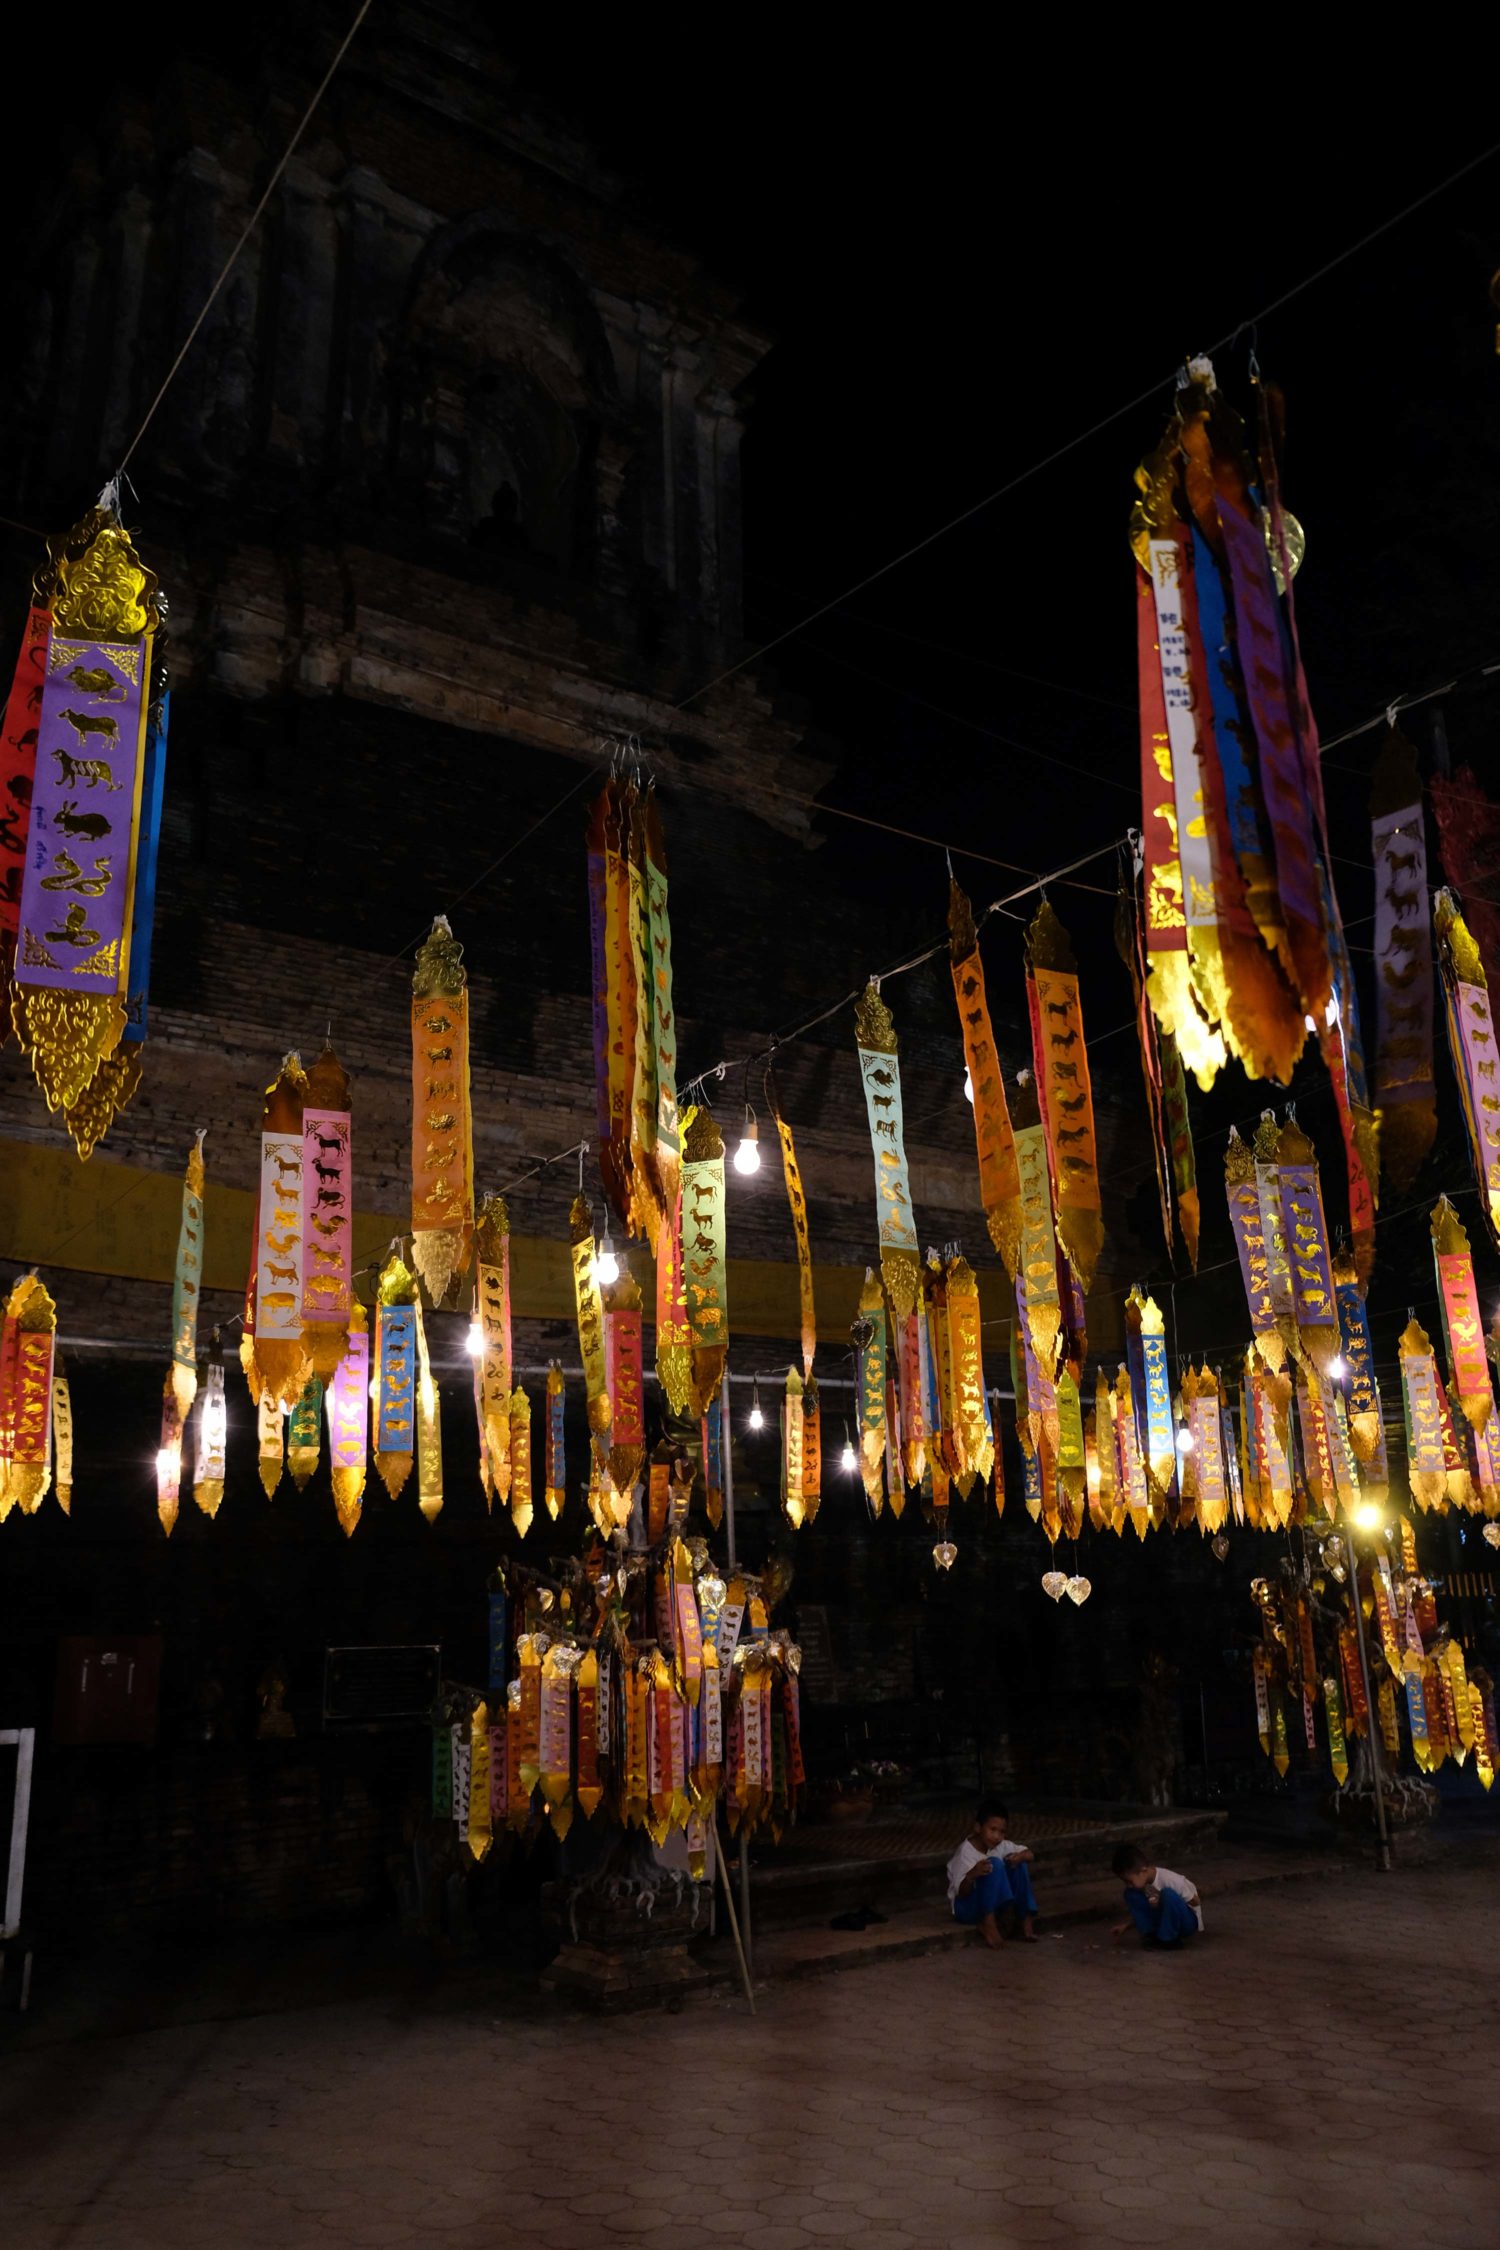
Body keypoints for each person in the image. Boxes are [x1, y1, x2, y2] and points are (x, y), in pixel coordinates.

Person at [946, 1798, 1040, 1948]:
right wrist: (972, 1875)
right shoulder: (965, 1853)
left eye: (1001, 1832)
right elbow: (961, 1893)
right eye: (992, 1830)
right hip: (966, 1908)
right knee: (994, 1864)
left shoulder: (1000, 1845)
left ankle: (1025, 1920)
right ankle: (988, 1924)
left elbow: (1030, 1854)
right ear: (978, 1827)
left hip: (992, 1904)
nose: (997, 1836)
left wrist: (1020, 1857)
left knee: (1019, 1864)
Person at [1110, 1842, 1203, 1947]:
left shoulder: (1170, 1879)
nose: (1128, 1885)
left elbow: (1196, 1901)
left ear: (1143, 1871)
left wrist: (1165, 1900)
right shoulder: (1143, 1884)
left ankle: (1168, 1939)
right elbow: (1144, 1910)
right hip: (1165, 1916)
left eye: (1130, 1881)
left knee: (1168, 1894)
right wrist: (1126, 1926)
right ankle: (1150, 1935)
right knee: (1131, 1894)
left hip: (1187, 1922)